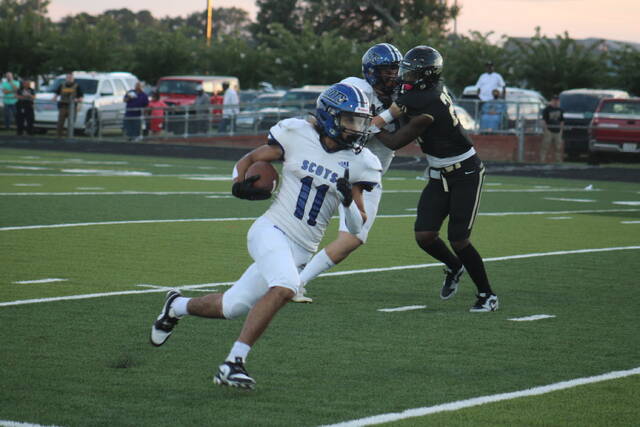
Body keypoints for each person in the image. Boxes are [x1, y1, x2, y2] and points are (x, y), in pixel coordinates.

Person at [149, 83, 382, 388]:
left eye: (361, 121)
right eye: (351, 120)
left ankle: (176, 306)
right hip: (271, 229)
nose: (358, 128)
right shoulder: (297, 134)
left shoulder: (361, 162)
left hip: (301, 250)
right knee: (285, 286)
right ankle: (234, 362)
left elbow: (355, 227)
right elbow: (249, 159)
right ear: (330, 117)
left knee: (232, 306)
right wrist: (238, 183)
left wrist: (348, 201)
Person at [371, 46, 499, 312]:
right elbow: (396, 108)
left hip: (465, 172)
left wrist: (367, 127)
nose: (404, 75)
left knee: (459, 239)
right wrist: (376, 120)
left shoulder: (425, 102)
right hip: (438, 172)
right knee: (425, 235)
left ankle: (487, 295)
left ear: (425, 75)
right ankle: (454, 266)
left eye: (411, 71)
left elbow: (394, 141)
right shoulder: (422, 91)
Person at [292, 42, 402, 303]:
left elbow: (398, 137)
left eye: (396, 69)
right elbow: (344, 125)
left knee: (354, 237)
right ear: (372, 71)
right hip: (333, 167)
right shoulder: (355, 88)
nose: (393, 75)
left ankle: (298, 281)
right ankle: (287, 280)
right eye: (387, 70)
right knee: (303, 228)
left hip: (366, 178)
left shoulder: (403, 97)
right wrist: (389, 114)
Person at [53, 73, 83, 138]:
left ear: (73, 78)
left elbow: (81, 97)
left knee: (71, 122)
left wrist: (77, 100)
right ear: (66, 78)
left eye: (71, 78)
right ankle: (58, 136)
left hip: (72, 107)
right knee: (60, 122)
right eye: (68, 77)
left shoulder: (77, 86)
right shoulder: (62, 85)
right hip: (63, 106)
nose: (69, 79)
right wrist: (54, 98)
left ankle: (69, 136)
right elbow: (56, 94)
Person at [540, 95, 565, 163]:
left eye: (557, 100)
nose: (555, 102)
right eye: (554, 100)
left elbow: (562, 120)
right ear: (551, 101)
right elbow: (544, 120)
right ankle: (542, 160)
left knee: (558, 147)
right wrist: (545, 129)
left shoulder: (560, 110)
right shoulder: (547, 109)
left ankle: (558, 160)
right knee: (545, 146)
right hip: (549, 130)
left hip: (558, 131)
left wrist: (561, 130)